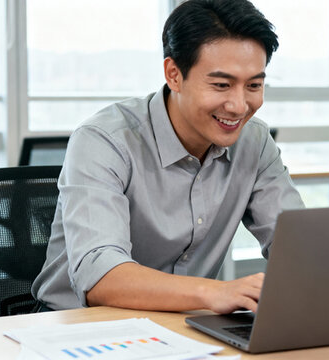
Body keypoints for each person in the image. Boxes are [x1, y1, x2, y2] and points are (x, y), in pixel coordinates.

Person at [32, 0, 304, 313]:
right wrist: (213, 293)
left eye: (254, 85)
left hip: (182, 327)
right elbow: (100, 275)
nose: (239, 106)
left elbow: (297, 245)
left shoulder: (254, 141)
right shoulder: (104, 140)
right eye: (221, 85)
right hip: (80, 328)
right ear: (174, 74)